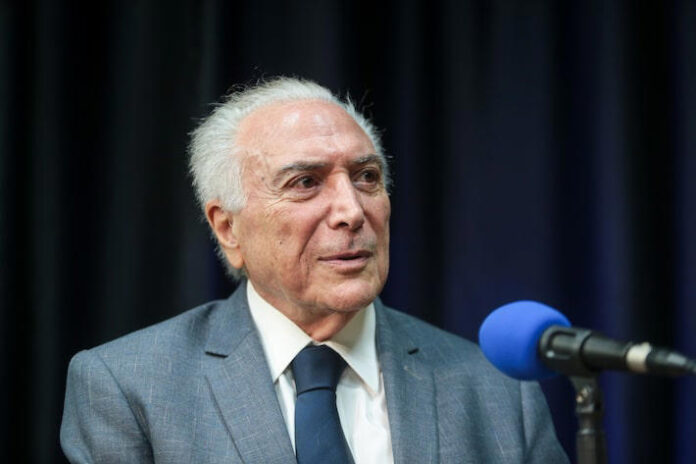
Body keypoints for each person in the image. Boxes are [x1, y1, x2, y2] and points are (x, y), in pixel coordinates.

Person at [60, 77, 568, 463]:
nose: (351, 210)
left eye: (366, 177)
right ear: (228, 229)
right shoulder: (130, 387)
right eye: (305, 182)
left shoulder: (499, 391)